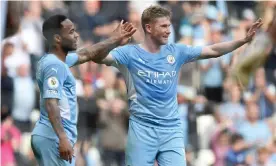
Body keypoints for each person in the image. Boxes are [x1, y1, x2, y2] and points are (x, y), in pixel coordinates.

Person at [92, 5, 262, 166]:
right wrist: (112, 41)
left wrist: (243, 40)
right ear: (149, 28)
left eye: (169, 25)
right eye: (164, 26)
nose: (168, 31)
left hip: (171, 131)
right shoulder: (129, 53)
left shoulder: (176, 51)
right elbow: (98, 57)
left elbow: (213, 51)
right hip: (142, 131)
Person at [30, 14, 136, 166]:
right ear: (58, 38)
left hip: (52, 136)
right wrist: (63, 138)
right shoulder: (54, 65)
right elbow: (51, 103)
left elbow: (87, 53)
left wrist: (114, 40)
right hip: (54, 136)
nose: (76, 35)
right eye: (71, 32)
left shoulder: (58, 61)